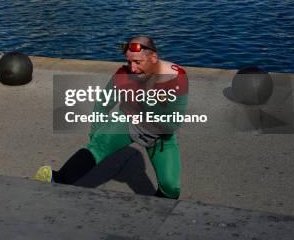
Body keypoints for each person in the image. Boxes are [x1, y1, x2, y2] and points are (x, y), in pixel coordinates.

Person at [34, 36, 188, 199]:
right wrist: (96, 136)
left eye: (138, 62)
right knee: (97, 147)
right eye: (129, 62)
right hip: (128, 120)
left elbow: (172, 124)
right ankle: (56, 180)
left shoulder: (175, 77)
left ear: (154, 58)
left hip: (159, 135)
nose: (133, 68)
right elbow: (102, 104)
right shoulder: (124, 74)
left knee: (171, 188)